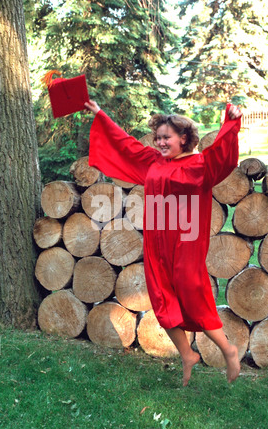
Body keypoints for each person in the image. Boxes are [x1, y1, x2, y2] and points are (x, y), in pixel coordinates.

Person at [85, 99, 242, 387]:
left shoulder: (199, 165)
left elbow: (222, 154)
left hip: (186, 241)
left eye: (166, 137)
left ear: (184, 138)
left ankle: (228, 349)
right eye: (157, 137)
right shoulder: (152, 161)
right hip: (157, 242)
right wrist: (100, 114)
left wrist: (231, 122)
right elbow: (124, 144)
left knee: (192, 293)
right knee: (160, 298)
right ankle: (187, 355)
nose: (160, 142)